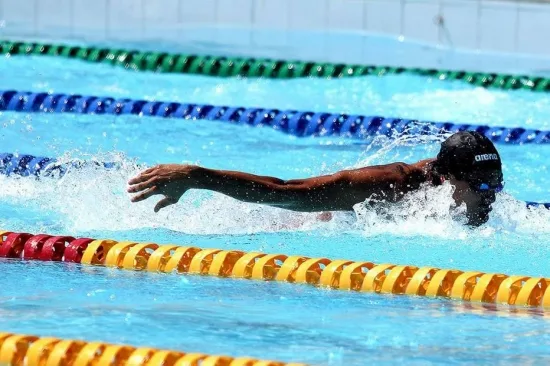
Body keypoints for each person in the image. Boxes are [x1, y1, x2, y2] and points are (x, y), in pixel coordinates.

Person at [127, 131, 504, 227]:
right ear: (445, 180)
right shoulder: (389, 184)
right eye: (482, 188)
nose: (491, 198)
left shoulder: (468, 192)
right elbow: (286, 191)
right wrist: (197, 176)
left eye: (496, 185)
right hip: (303, 223)